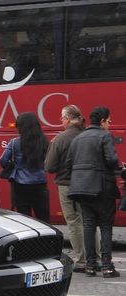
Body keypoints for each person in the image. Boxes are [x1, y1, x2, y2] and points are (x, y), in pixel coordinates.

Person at [66, 106, 120, 278]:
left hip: (81, 189)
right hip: (102, 188)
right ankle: (107, 265)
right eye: (109, 121)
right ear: (102, 121)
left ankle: (90, 266)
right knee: (105, 226)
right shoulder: (105, 136)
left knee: (89, 226)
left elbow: (68, 163)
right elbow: (112, 159)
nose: (110, 124)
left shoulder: (78, 138)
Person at [45, 105, 100, 273]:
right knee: (90, 221)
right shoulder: (89, 136)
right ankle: (96, 258)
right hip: (89, 184)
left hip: (67, 185)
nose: (61, 122)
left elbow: (50, 166)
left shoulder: (60, 139)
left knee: (74, 222)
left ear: (67, 119)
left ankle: (82, 260)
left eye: (62, 119)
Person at [0, 112, 50, 222]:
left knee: (25, 221)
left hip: (19, 185)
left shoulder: (14, 143)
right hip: (40, 184)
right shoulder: (44, 142)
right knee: (43, 219)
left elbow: (2, 161)